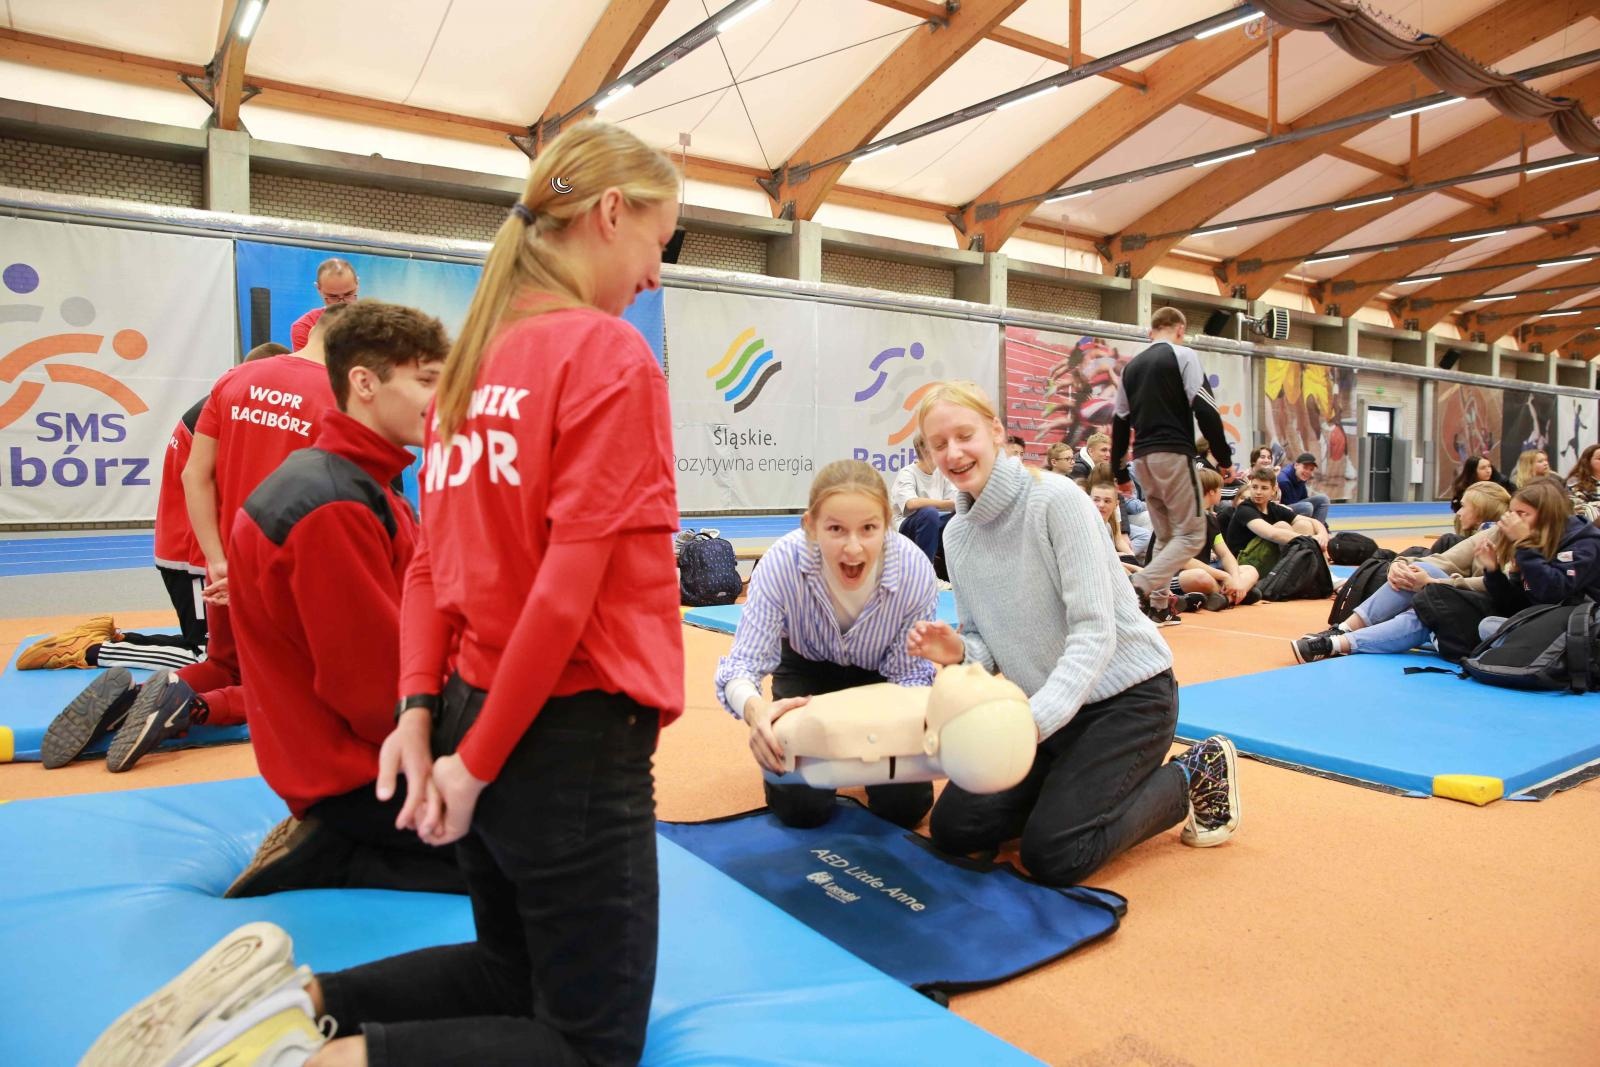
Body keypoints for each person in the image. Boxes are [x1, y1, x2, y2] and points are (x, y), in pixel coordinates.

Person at [92, 119, 690, 1067]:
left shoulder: (467, 377)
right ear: (611, 213)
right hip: (567, 733)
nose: (659, 271)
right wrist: (476, 762)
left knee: (509, 970)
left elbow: (429, 571)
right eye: (666, 240)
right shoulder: (605, 354)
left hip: (468, 705)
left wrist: (424, 718)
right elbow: (564, 591)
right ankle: (295, 1061)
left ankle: (289, 1009)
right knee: (590, 1047)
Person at [904, 380, 1241, 890]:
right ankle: (1071, 789)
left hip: (1127, 702)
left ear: (995, 431)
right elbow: (981, 640)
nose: (953, 452)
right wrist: (957, 652)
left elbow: (1094, 632)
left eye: (964, 434)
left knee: (1056, 854)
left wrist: (1028, 727)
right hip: (1050, 711)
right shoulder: (957, 534)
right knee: (955, 829)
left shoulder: (1056, 500)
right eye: (938, 443)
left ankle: (1194, 773)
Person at [222, 301, 464, 898]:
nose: (443, 401)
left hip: (365, 758)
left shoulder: (362, 485)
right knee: (543, 861)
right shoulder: (332, 507)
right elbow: (372, 690)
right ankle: (337, 854)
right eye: (427, 381)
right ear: (364, 383)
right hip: (359, 778)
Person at [38, 318, 344, 773]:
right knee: (304, 693)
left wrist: (217, 562)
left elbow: (193, 476)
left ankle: (134, 698)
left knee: (222, 665)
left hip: (228, 556)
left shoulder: (236, 379)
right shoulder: (339, 399)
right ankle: (188, 709)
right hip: (286, 567)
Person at [715, 459, 939, 829]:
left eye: (869, 528)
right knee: (800, 809)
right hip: (806, 675)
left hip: (880, 682)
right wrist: (757, 714)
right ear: (810, 526)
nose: (853, 548)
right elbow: (742, 665)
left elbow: (912, 678)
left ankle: (861, 761)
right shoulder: (782, 563)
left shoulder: (914, 570)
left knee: (904, 808)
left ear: (887, 525)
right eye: (836, 528)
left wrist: (902, 730)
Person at [1110, 306, 1234, 627]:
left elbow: (1120, 421)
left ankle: (1159, 607)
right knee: (1192, 536)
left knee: (1165, 537)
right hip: (1173, 454)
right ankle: (1139, 586)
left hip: (1144, 461)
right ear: (1180, 329)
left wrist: (1120, 472)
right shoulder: (1184, 355)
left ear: (1150, 332)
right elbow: (1204, 408)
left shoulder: (1131, 367)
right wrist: (1223, 458)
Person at [1291, 482, 1510, 663]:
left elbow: (1501, 587)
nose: (1458, 512)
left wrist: (1433, 583)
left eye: (1520, 513)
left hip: (1491, 615)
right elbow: (1445, 560)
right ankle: (1341, 635)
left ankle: (1341, 640)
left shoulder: (1524, 549)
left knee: (1426, 607)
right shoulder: (1494, 533)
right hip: (1466, 600)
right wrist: (1401, 564)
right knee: (1421, 582)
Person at [1225, 466, 1328, 578]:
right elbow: (1272, 534)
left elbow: (1312, 521)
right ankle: (1303, 575)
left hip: (1262, 558)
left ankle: (1324, 576)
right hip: (1244, 564)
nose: (1258, 492)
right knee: (1282, 526)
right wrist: (1311, 540)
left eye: (1264, 488)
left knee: (1304, 524)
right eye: (1254, 487)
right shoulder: (1244, 509)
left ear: (1274, 490)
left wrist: (1322, 535)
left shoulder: (1273, 508)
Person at [889, 432, 956, 570]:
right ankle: (925, 573)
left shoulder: (942, 474)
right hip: (905, 528)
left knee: (958, 519)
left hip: (933, 524)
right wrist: (947, 504)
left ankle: (955, 575)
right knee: (929, 513)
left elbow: (955, 501)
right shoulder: (907, 473)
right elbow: (911, 503)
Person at [290, 258, 360, 351]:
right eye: (333, 296)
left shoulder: (375, 322)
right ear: (319, 289)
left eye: (348, 294)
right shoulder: (304, 327)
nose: (342, 302)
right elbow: (305, 365)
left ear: (357, 284)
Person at [1278, 452, 1330, 529]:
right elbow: (1287, 508)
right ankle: (1305, 533)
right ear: (1296, 465)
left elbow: (1303, 499)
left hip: (1293, 506)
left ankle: (1319, 529)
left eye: (1311, 469)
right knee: (1306, 507)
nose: (1308, 472)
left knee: (1323, 499)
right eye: (1305, 467)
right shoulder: (1284, 481)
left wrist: (1325, 526)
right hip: (1281, 512)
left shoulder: (1299, 476)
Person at [1448, 453, 1513, 511]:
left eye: (1489, 466)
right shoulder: (1462, 487)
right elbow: (1457, 508)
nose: (1488, 470)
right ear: (1473, 471)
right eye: (1483, 468)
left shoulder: (1502, 482)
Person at [1565, 443, 1600, 522]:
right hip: (1588, 527)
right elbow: (1579, 507)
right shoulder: (1575, 482)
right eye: (1599, 459)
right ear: (1587, 461)